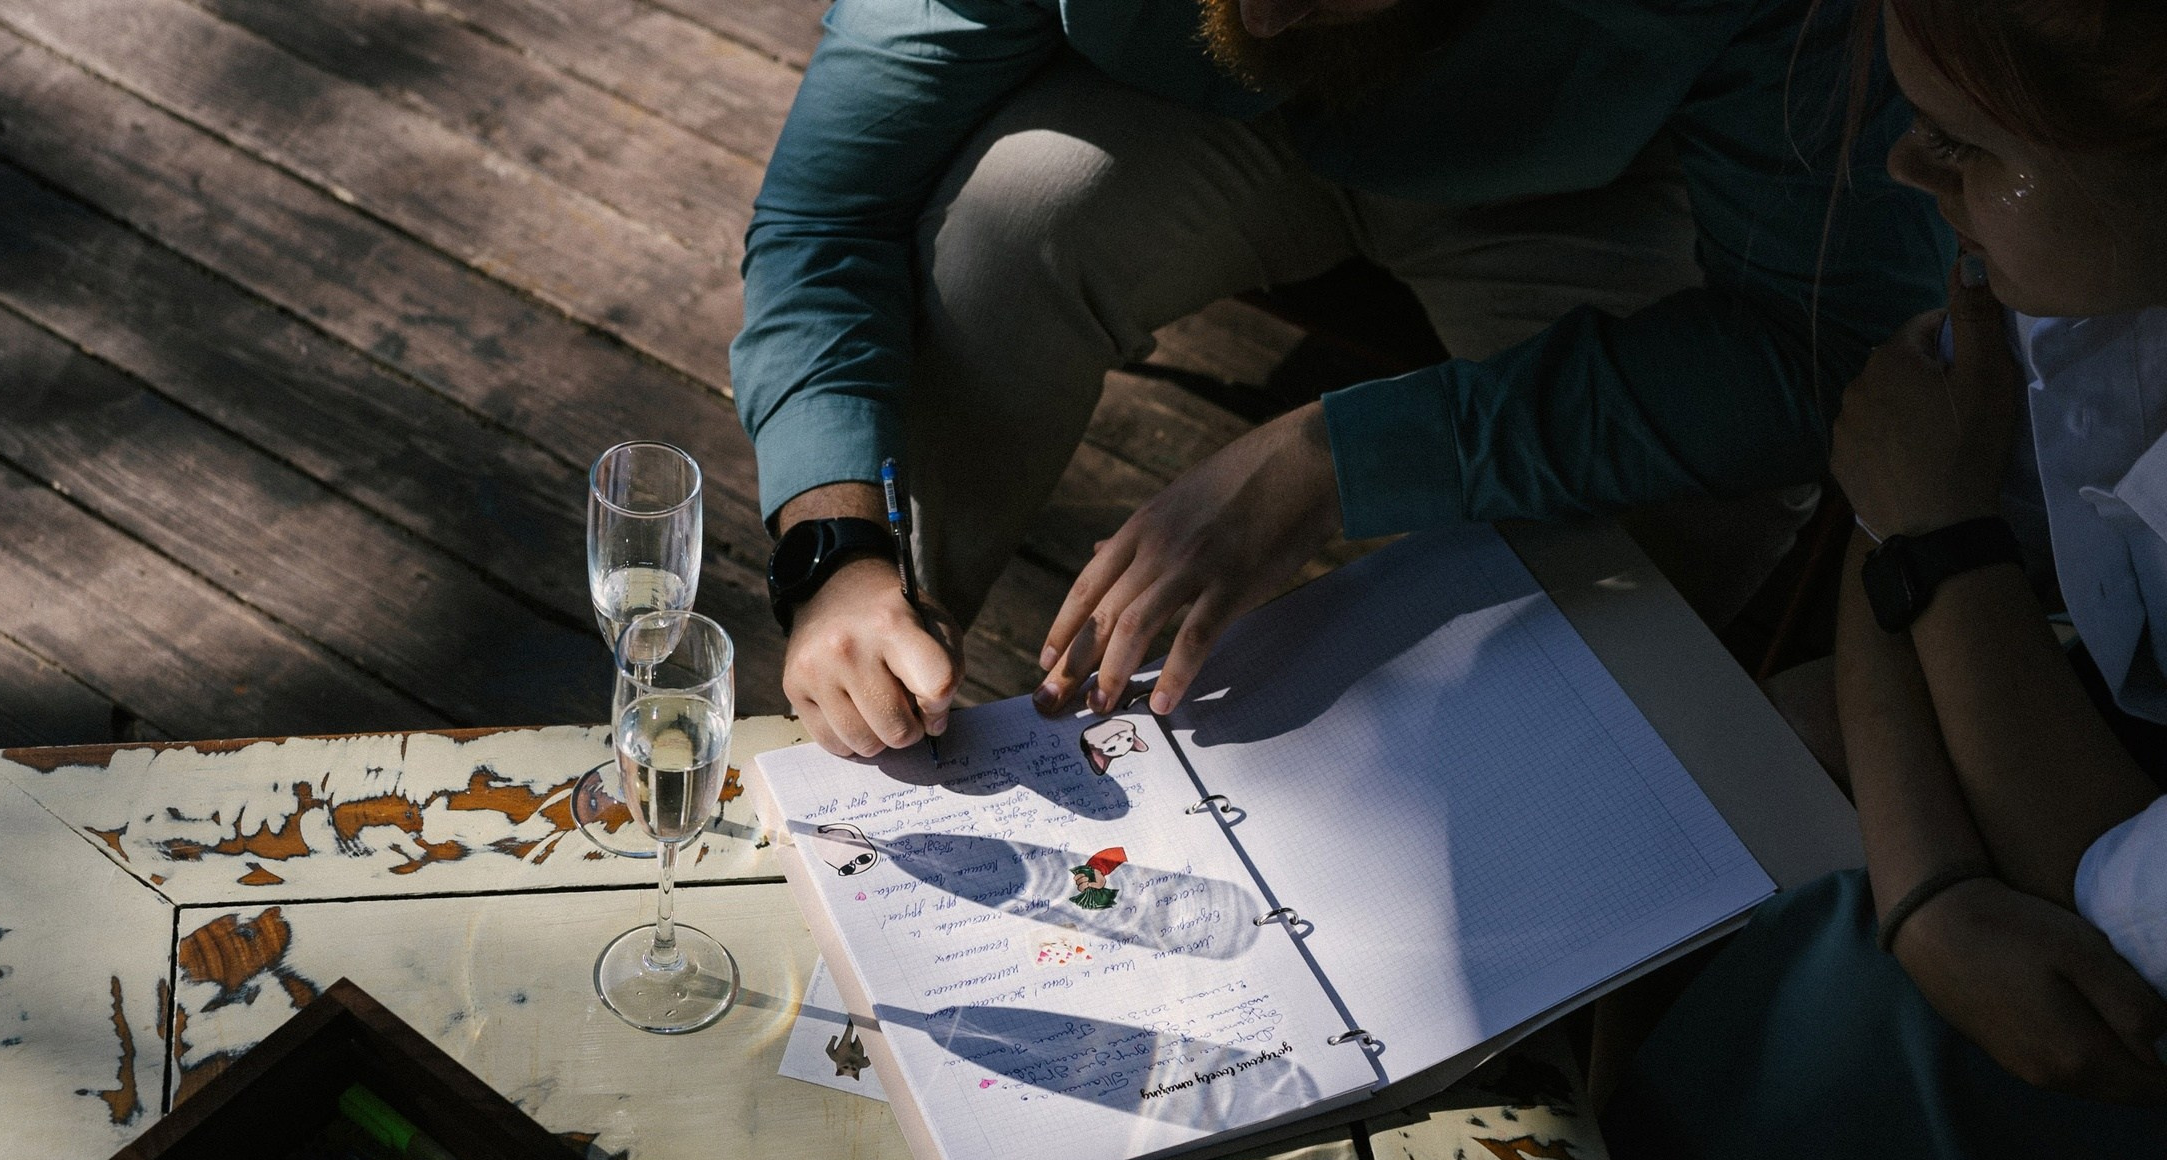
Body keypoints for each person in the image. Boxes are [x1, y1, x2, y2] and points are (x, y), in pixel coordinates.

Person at [735, 0, 1948, 756]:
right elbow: (830, 203)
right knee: (996, 238)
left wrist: (1345, 457)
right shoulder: (1254, 26)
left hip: (1581, 179)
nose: (1258, 14)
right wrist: (832, 548)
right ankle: (872, 709)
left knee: (1678, 521)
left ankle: (1483, 920)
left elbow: (1816, 349)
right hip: (1187, 118)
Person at [1610, 0, 2167, 1160]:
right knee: (1775, 750)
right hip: (2093, 816)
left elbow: (2124, 957)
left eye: (1975, 150)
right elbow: (1898, 472)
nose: (1915, 169)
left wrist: (1930, 529)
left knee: (1869, 1018)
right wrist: (1929, 894)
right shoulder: (2082, 284)